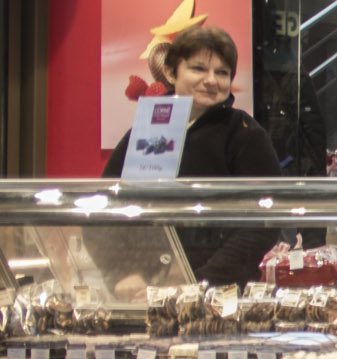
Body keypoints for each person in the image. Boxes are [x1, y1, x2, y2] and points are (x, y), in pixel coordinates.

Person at [101, 24, 281, 293]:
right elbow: (104, 209)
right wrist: (120, 274)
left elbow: (262, 224)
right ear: (172, 72)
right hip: (140, 293)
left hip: (216, 298)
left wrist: (199, 284)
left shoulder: (246, 135)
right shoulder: (143, 133)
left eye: (222, 72)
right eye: (198, 69)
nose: (211, 80)